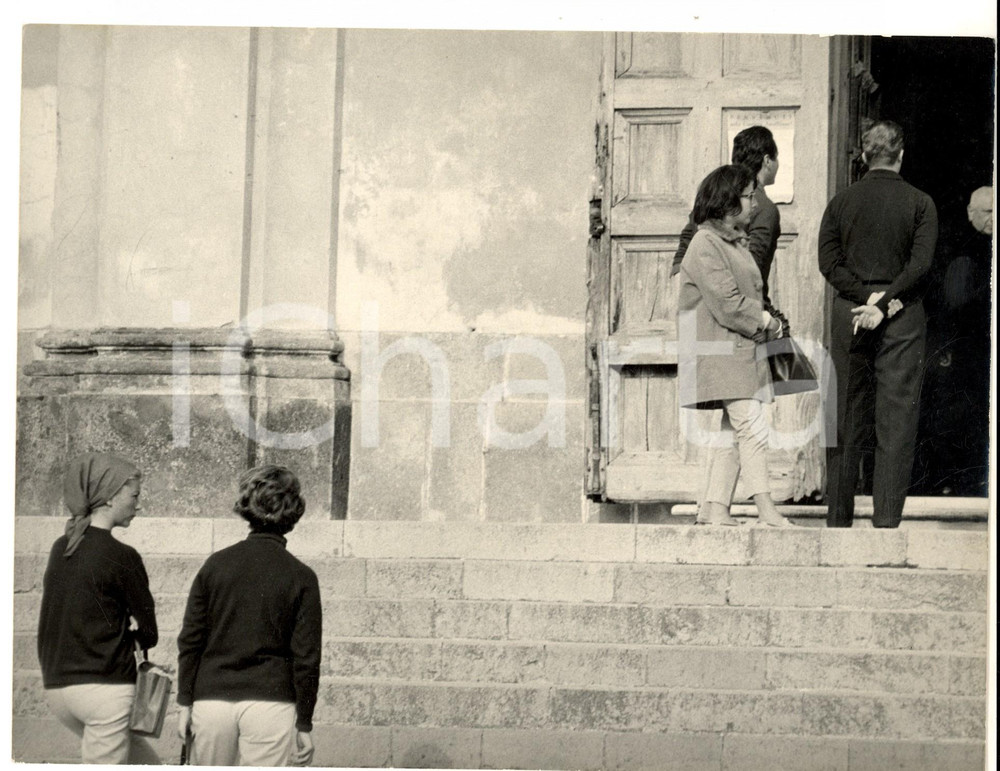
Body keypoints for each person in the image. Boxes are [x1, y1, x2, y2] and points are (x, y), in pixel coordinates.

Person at [818, 120, 938, 528]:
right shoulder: (920, 203)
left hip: (851, 313)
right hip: (900, 313)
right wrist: (884, 303)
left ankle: (838, 520)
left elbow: (828, 262)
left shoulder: (840, 202)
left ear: (865, 157)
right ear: (901, 154)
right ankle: (886, 521)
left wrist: (864, 297)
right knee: (896, 417)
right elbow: (920, 266)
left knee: (844, 414)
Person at [177, 464, 322, 767]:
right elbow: (307, 657)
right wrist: (304, 723)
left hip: (212, 698)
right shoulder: (302, 576)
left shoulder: (215, 565)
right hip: (271, 702)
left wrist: (184, 702)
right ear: (293, 512)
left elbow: (191, 640)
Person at [678, 164, 794, 527]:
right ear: (727, 203)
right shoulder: (705, 244)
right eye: (748, 196)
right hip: (721, 352)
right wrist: (766, 321)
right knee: (752, 428)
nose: (755, 203)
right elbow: (728, 303)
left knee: (733, 431)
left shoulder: (731, 242)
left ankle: (716, 508)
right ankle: (766, 510)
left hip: (737, 352)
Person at [37, 452, 160, 764]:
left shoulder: (62, 546)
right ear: (110, 498)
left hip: (58, 688)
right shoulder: (123, 556)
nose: (138, 505)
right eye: (134, 495)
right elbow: (150, 632)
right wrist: (133, 639)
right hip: (105, 688)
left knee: (147, 764)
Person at [914, 185, 992, 495]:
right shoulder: (959, 246)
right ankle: (953, 479)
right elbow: (950, 301)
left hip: (980, 344)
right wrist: (944, 341)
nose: (993, 218)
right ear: (971, 213)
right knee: (958, 413)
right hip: (960, 345)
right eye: (987, 212)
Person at [672, 125, 782, 305]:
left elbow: (688, 234)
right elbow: (752, 269)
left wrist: (682, 277)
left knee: (691, 324)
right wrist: (764, 318)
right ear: (767, 160)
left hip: (703, 304)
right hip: (739, 307)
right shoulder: (764, 208)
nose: (752, 203)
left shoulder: (715, 191)